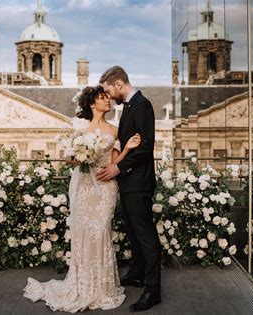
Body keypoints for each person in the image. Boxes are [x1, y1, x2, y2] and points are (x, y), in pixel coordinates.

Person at [23, 85, 141, 313]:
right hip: (83, 185)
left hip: (106, 185)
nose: (107, 101)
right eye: (102, 97)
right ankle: (82, 284)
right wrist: (81, 156)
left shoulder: (115, 130)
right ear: (91, 103)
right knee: (83, 232)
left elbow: (114, 161)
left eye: (108, 97)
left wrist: (126, 147)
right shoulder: (79, 127)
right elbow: (69, 159)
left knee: (101, 231)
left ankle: (102, 287)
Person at [96, 66, 162, 312]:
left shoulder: (142, 105)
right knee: (133, 232)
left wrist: (118, 168)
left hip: (138, 183)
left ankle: (153, 291)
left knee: (146, 236)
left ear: (119, 84)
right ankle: (137, 273)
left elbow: (145, 149)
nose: (108, 96)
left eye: (108, 90)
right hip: (129, 183)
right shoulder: (131, 106)